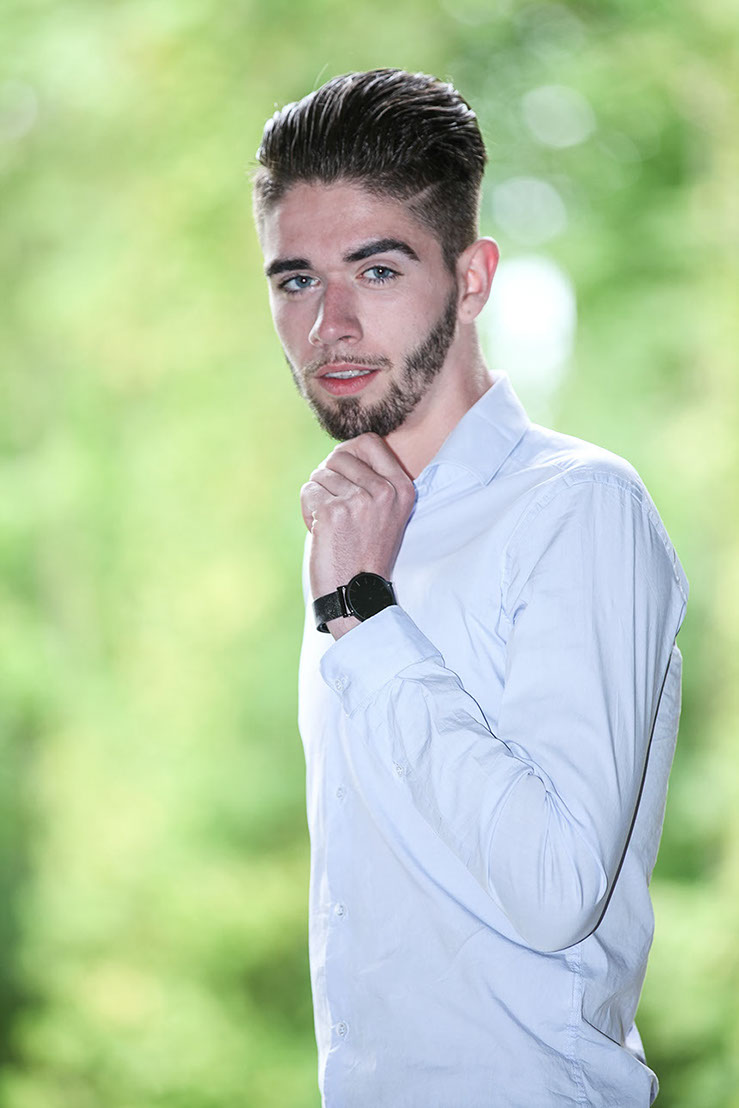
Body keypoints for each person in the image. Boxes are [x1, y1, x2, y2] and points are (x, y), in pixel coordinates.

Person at [253, 68, 688, 1108]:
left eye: (377, 269)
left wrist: (365, 617)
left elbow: (555, 889)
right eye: (296, 280)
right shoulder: (347, 531)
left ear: (473, 276)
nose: (328, 325)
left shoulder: (577, 506)